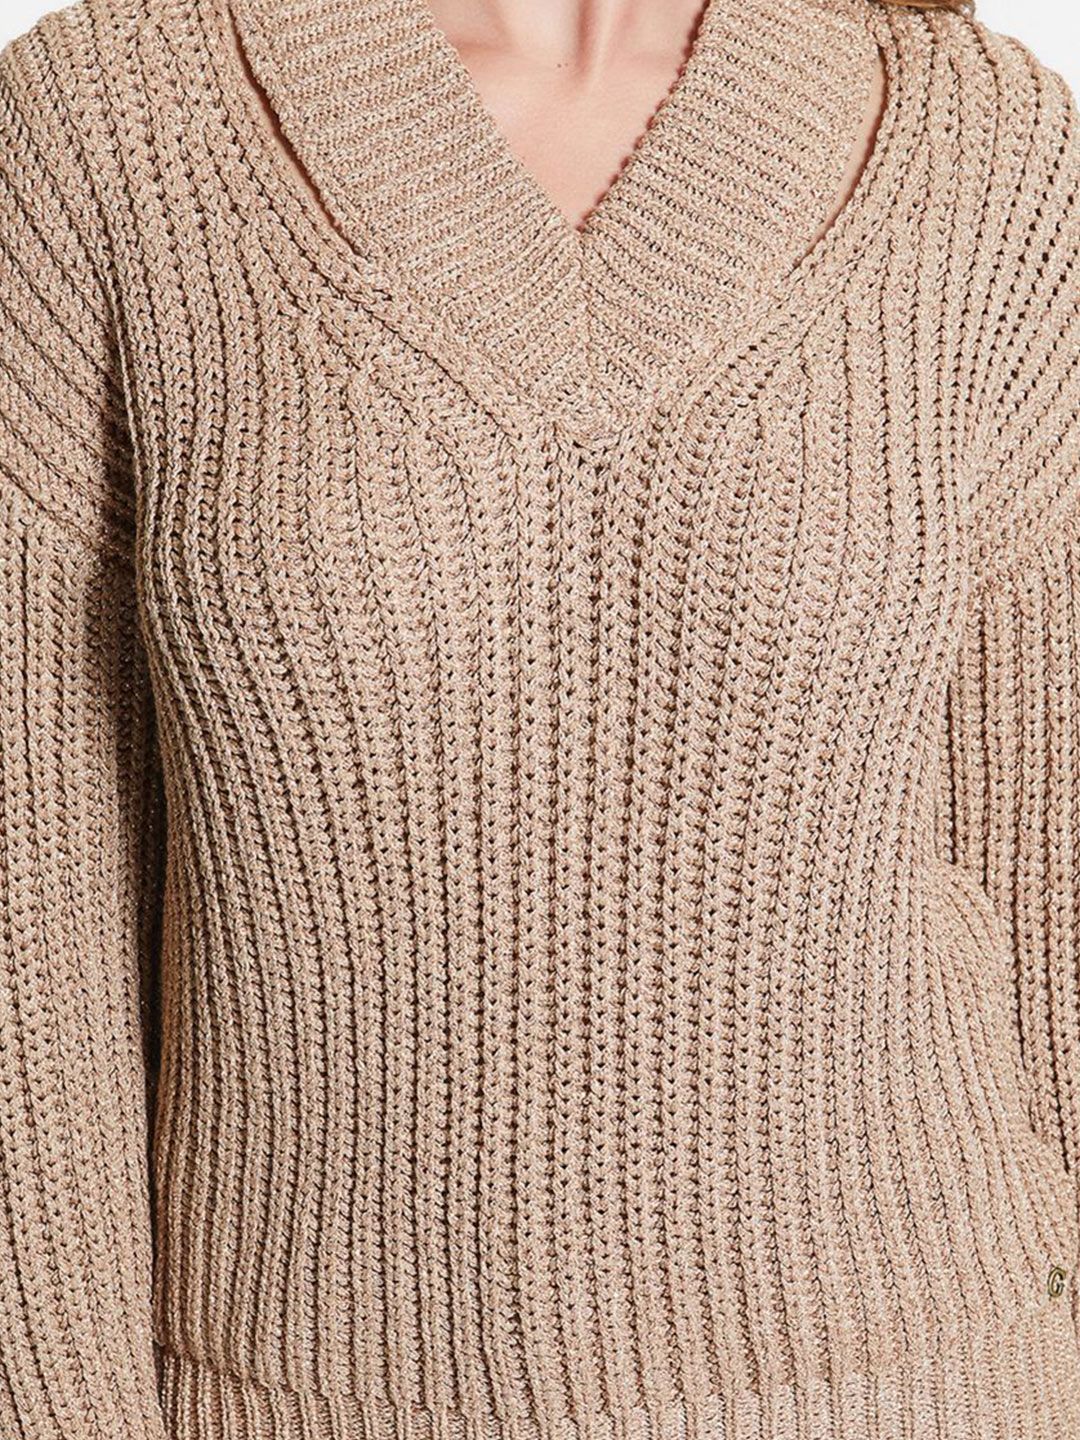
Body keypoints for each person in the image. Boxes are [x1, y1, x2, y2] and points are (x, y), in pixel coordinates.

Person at [1, 0, 1079, 1437]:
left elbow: (1045, 884)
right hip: (299, 1395)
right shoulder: (114, 126)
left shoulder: (984, 149)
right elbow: (35, 927)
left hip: (940, 1379)